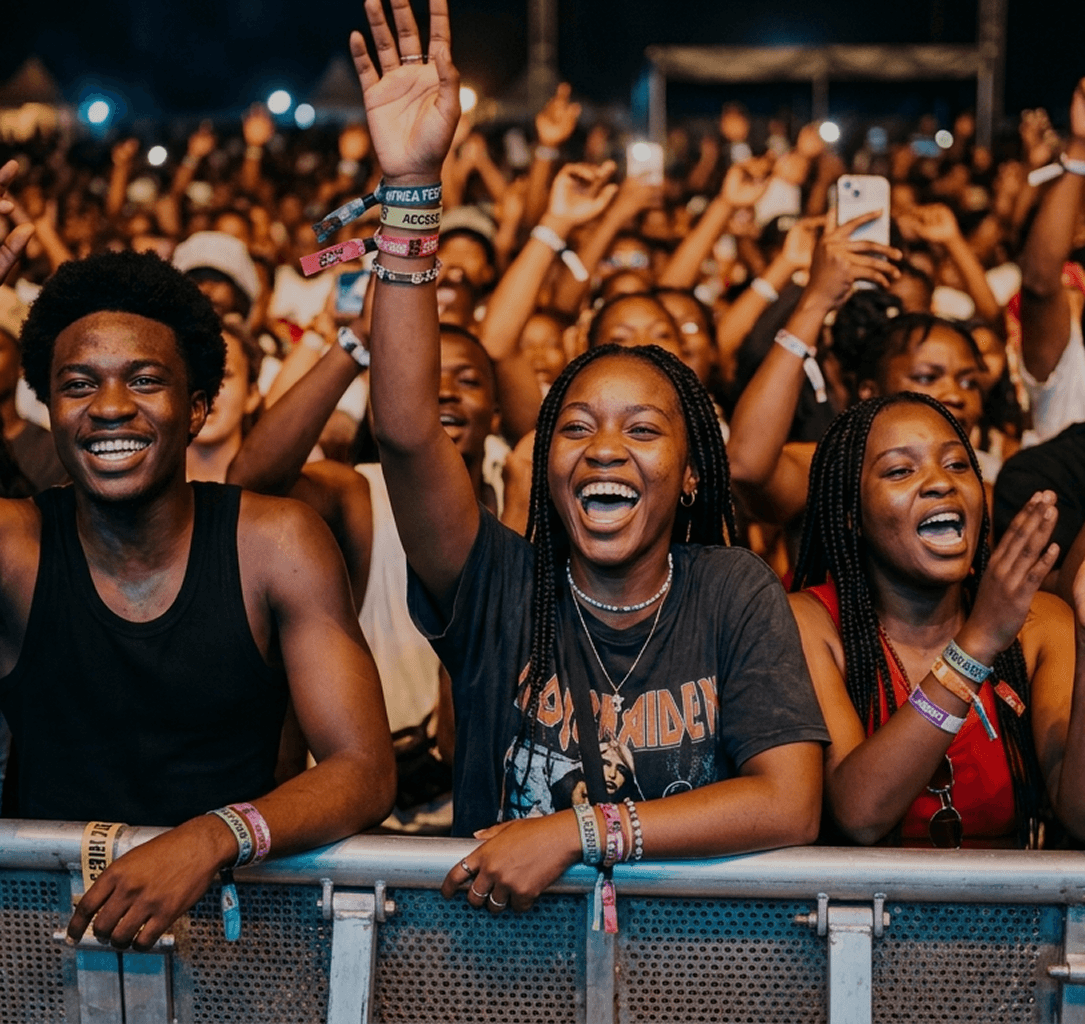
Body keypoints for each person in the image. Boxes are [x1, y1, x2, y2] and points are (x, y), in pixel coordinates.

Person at [352, 0, 827, 914]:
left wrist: (580, 832)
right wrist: (411, 183)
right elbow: (408, 431)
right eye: (575, 427)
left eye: (643, 431)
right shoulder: (498, 584)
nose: (605, 448)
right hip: (494, 972)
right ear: (542, 455)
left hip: (685, 979)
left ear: (692, 474)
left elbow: (789, 799)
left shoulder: (731, 591)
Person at [0, 178, 394, 951]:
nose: (110, 406)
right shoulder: (16, 549)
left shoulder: (273, 542)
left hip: (235, 941)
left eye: (145, 380)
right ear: (46, 407)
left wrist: (209, 837)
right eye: (78, 385)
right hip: (42, 945)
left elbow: (362, 769)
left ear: (199, 407)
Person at [789, 393, 1085, 847]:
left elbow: (1081, 816)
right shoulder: (811, 623)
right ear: (853, 516)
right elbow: (860, 814)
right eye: (900, 471)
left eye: (957, 465)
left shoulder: (1041, 625)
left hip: (1009, 917)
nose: (939, 483)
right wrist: (976, 644)